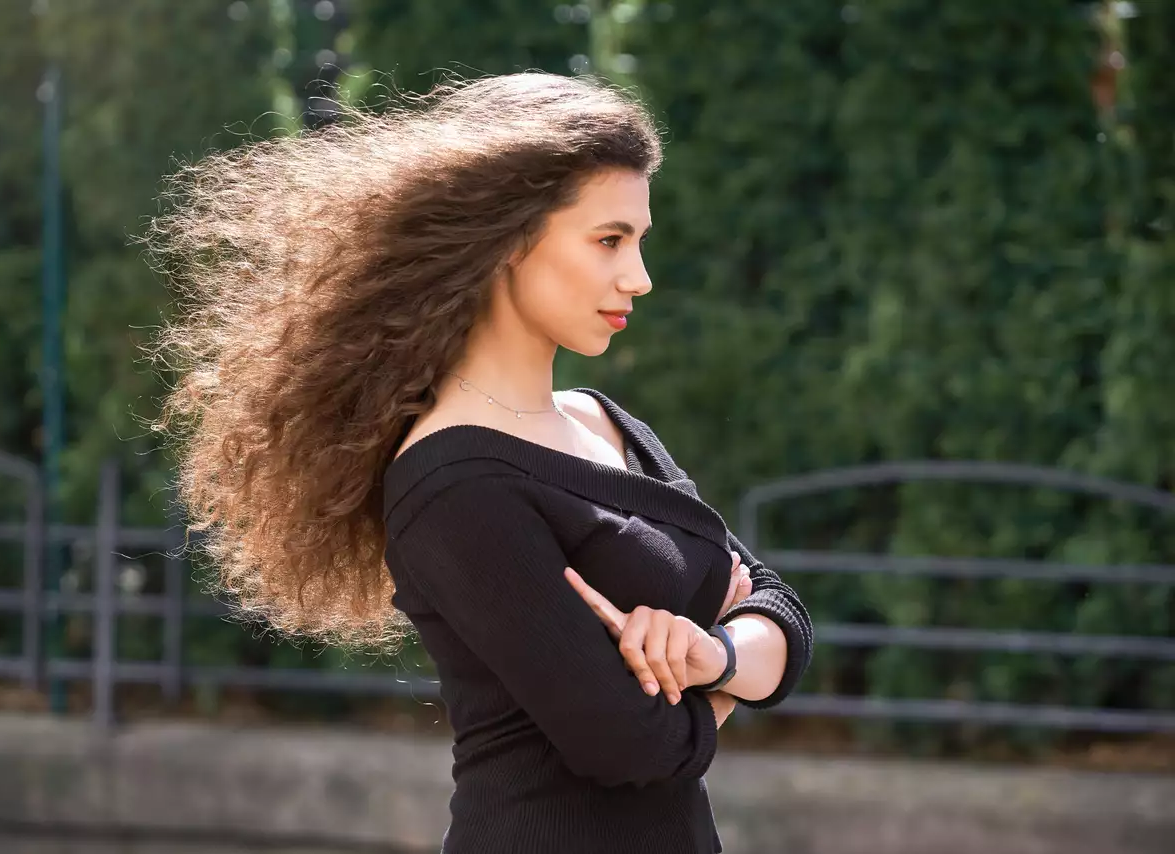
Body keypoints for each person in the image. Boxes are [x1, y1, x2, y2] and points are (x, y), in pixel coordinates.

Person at [145, 72, 813, 854]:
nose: (639, 277)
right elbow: (631, 746)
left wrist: (708, 656)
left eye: (639, 240)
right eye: (609, 241)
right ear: (510, 240)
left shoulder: (605, 421)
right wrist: (731, 677)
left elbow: (783, 611)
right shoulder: (453, 486)